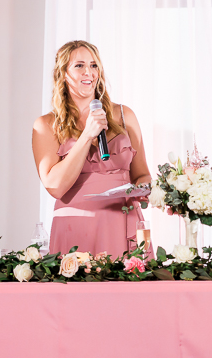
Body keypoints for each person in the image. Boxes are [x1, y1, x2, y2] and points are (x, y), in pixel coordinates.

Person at [32, 40, 152, 256]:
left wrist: (144, 191)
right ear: (63, 73)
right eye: (79, 65)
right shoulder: (46, 125)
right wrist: (87, 135)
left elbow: (142, 174)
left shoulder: (125, 115)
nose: (89, 72)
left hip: (123, 222)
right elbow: (55, 187)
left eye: (94, 65)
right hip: (75, 228)